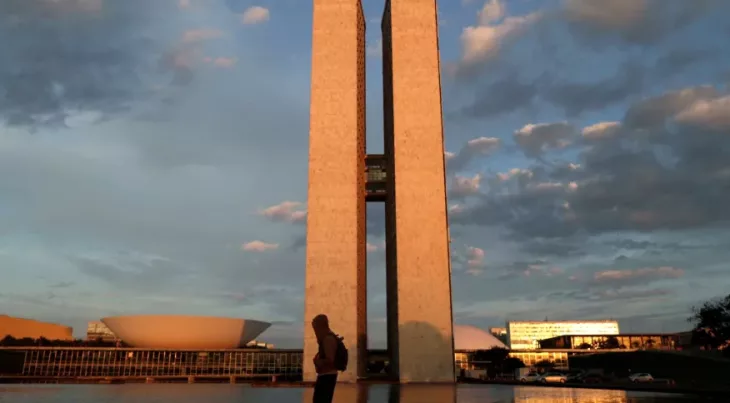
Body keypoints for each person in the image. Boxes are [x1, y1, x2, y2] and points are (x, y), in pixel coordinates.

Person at [312, 314, 338, 403]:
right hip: (325, 376)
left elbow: (330, 360)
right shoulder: (327, 338)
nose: (315, 331)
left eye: (315, 328)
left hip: (327, 376)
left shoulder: (328, 339)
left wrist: (318, 362)